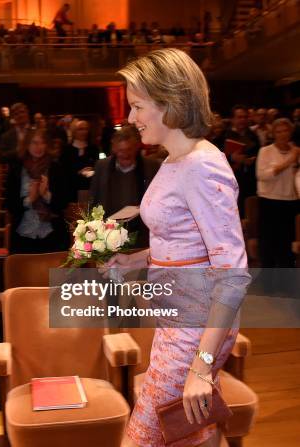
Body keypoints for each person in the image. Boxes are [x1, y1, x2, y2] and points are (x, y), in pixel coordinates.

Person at [107, 48, 250, 447]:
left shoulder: (203, 166)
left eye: (137, 107)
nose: (131, 118)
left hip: (196, 329)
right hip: (178, 320)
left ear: (170, 101)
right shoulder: (173, 160)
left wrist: (201, 368)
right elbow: (185, 243)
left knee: (144, 437)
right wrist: (135, 257)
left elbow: (233, 275)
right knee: (185, 431)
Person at [88, 125, 161, 248]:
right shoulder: (102, 166)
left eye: (129, 149)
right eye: (121, 150)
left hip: (142, 235)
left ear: (137, 147)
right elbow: (94, 200)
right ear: (114, 148)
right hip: (108, 235)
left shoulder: (152, 166)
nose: (125, 154)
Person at [4, 129, 70, 254]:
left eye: (42, 143)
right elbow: (10, 205)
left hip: (53, 236)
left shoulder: (56, 168)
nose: (38, 147)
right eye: (34, 143)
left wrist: (46, 195)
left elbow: (63, 203)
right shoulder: (16, 169)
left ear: (47, 145)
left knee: (54, 273)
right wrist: (30, 199)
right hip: (23, 236)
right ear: (27, 145)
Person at [255, 118, 299, 268]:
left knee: (287, 244)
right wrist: (288, 163)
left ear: (290, 132)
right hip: (270, 201)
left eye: (285, 130)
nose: (282, 134)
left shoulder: (296, 151)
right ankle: (269, 284)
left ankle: (286, 283)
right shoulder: (265, 151)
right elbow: (262, 175)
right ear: (273, 134)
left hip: (291, 201)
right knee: (269, 244)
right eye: (278, 131)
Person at [59, 120, 101, 199]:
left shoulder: (93, 149)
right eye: (80, 129)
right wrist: (78, 172)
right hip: (71, 190)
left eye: (86, 129)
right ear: (74, 131)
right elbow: (63, 172)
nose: (84, 132)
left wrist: (92, 171)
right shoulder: (66, 150)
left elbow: (98, 167)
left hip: (90, 188)